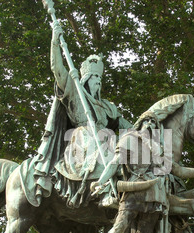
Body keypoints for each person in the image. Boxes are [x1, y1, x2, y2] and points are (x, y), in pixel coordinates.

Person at [20, 21, 132, 208]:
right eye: (94, 77)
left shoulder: (106, 106)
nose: (97, 81)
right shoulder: (75, 91)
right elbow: (58, 70)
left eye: (99, 78)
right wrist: (55, 41)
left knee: (126, 149)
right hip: (81, 140)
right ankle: (103, 190)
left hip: (104, 138)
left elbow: (126, 125)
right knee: (101, 141)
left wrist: (146, 131)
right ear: (86, 78)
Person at [85, 111, 178, 233]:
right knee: (118, 228)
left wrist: (150, 141)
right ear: (140, 121)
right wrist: (100, 181)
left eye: (153, 122)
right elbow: (114, 163)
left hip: (154, 194)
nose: (150, 123)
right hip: (133, 190)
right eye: (147, 120)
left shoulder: (157, 145)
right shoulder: (128, 139)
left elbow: (162, 165)